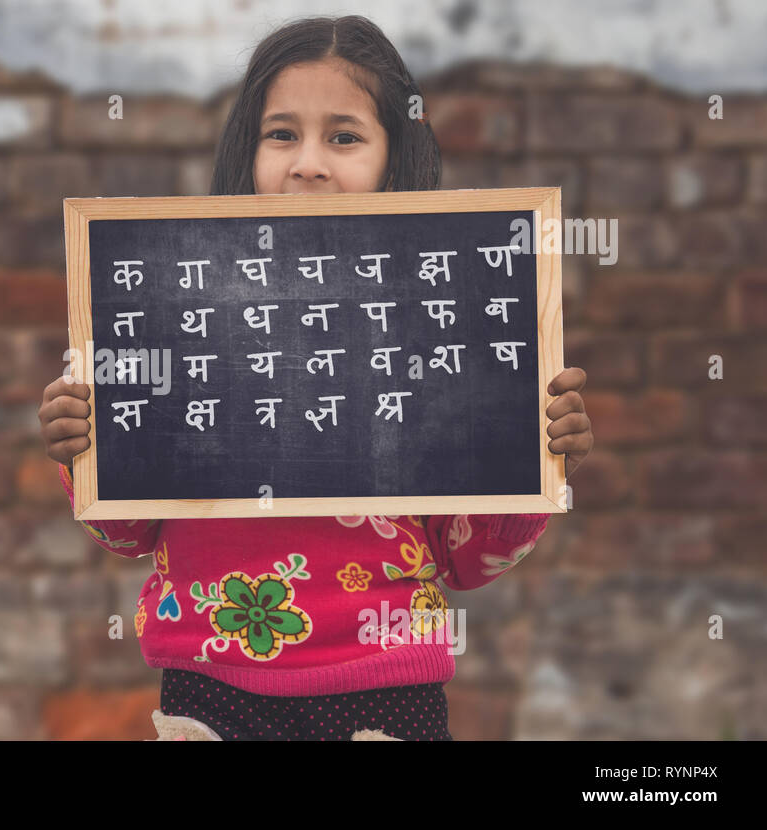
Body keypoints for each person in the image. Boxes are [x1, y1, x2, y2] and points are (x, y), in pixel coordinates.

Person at [37, 14, 594, 740]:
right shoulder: (175, 307)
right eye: (281, 134)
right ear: (249, 151)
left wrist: (536, 453)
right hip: (209, 690)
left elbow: (467, 558)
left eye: (344, 136)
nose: (308, 163)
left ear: (395, 161)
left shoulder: (441, 322)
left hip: (387, 694)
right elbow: (130, 530)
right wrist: (85, 447)